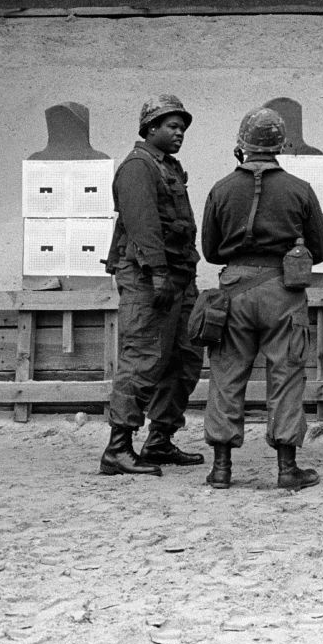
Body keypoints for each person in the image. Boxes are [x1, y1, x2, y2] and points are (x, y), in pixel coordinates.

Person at [200, 108, 323, 490]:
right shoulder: (300, 189)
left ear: (242, 144)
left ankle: (221, 468)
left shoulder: (221, 188)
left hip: (234, 291)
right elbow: (319, 250)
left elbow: (210, 251)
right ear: (280, 145)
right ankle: (287, 470)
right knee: (287, 376)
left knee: (225, 375)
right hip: (284, 293)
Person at [99, 94, 204, 476]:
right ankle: (118, 448)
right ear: (150, 128)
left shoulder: (168, 167)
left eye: (182, 128)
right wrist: (159, 274)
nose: (179, 133)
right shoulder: (138, 167)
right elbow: (143, 226)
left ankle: (160, 440)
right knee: (142, 357)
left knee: (183, 359)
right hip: (149, 278)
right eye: (172, 126)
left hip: (177, 276)